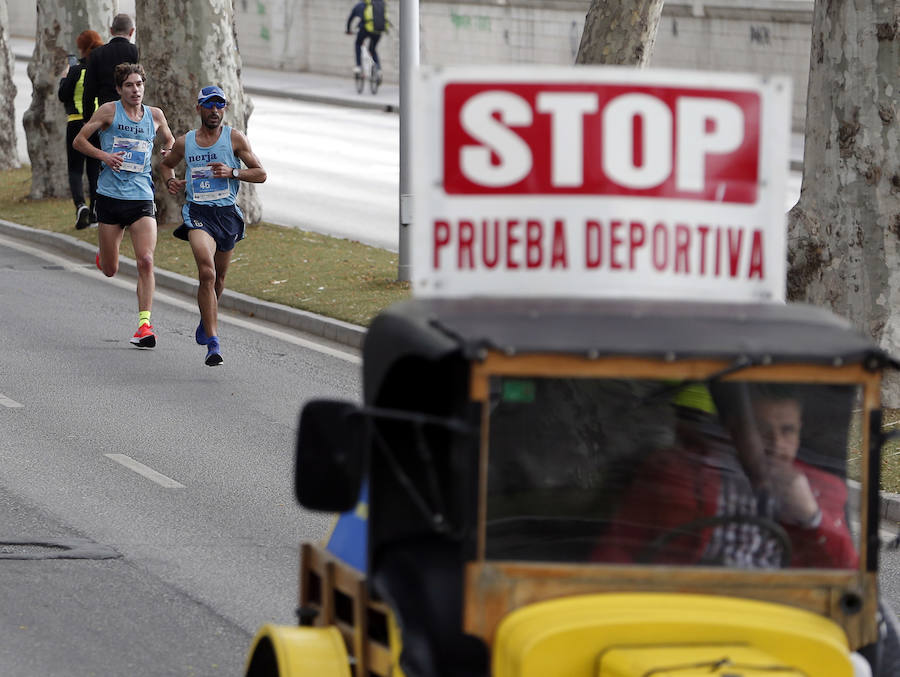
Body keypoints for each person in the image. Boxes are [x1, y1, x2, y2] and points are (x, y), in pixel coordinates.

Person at [594, 383, 857, 569]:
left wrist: (811, 516)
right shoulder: (674, 473)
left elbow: (847, 576)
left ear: (800, 431)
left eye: (787, 431)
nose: (777, 445)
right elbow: (617, 550)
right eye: (761, 430)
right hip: (683, 610)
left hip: (778, 615)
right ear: (735, 430)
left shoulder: (823, 490)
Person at [160, 86, 267, 366]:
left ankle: (205, 319)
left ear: (224, 109)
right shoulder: (186, 142)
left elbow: (260, 173)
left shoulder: (234, 139)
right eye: (209, 105)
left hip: (227, 215)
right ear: (199, 109)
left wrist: (232, 171)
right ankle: (214, 343)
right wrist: (170, 180)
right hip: (198, 214)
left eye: (219, 105)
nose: (215, 110)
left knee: (219, 279)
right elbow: (166, 165)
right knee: (206, 273)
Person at [72, 63, 175, 349]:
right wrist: (104, 156)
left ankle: (144, 325)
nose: (136, 90)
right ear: (119, 89)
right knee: (109, 269)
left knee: (146, 260)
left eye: (139, 84)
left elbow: (169, 139)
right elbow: (79, 141)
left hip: (141, 197)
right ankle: (105, 254)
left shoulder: (155, 115)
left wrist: (169, 150)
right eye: (129, 85)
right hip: (109, 197)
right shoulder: (108, 111)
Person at [58, 30, 104, 230]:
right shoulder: (100, 69)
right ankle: (94, 211)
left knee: (75, 169)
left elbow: (63, 95)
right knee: (94, 169)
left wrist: (64, 78)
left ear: (82, 48)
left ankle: (80, 205)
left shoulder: (76, 70)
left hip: (76, 122)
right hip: (97, 123)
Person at [82, 13, 138, 123]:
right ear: (131, 31)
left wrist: (88, 118)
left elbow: (89, 89)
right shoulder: (136, 51)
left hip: (106, 113)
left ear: (111, 31)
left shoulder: (96, 54)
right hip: (132, 113)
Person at [345, 0, 388, 80]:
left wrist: (348, 30)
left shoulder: (360, 5)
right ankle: (378, 69)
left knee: (358, 43)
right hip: (378, 30)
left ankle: (358, 66)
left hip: (365, 30)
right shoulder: (379, 4)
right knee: (372, 49)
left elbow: (350, 18)